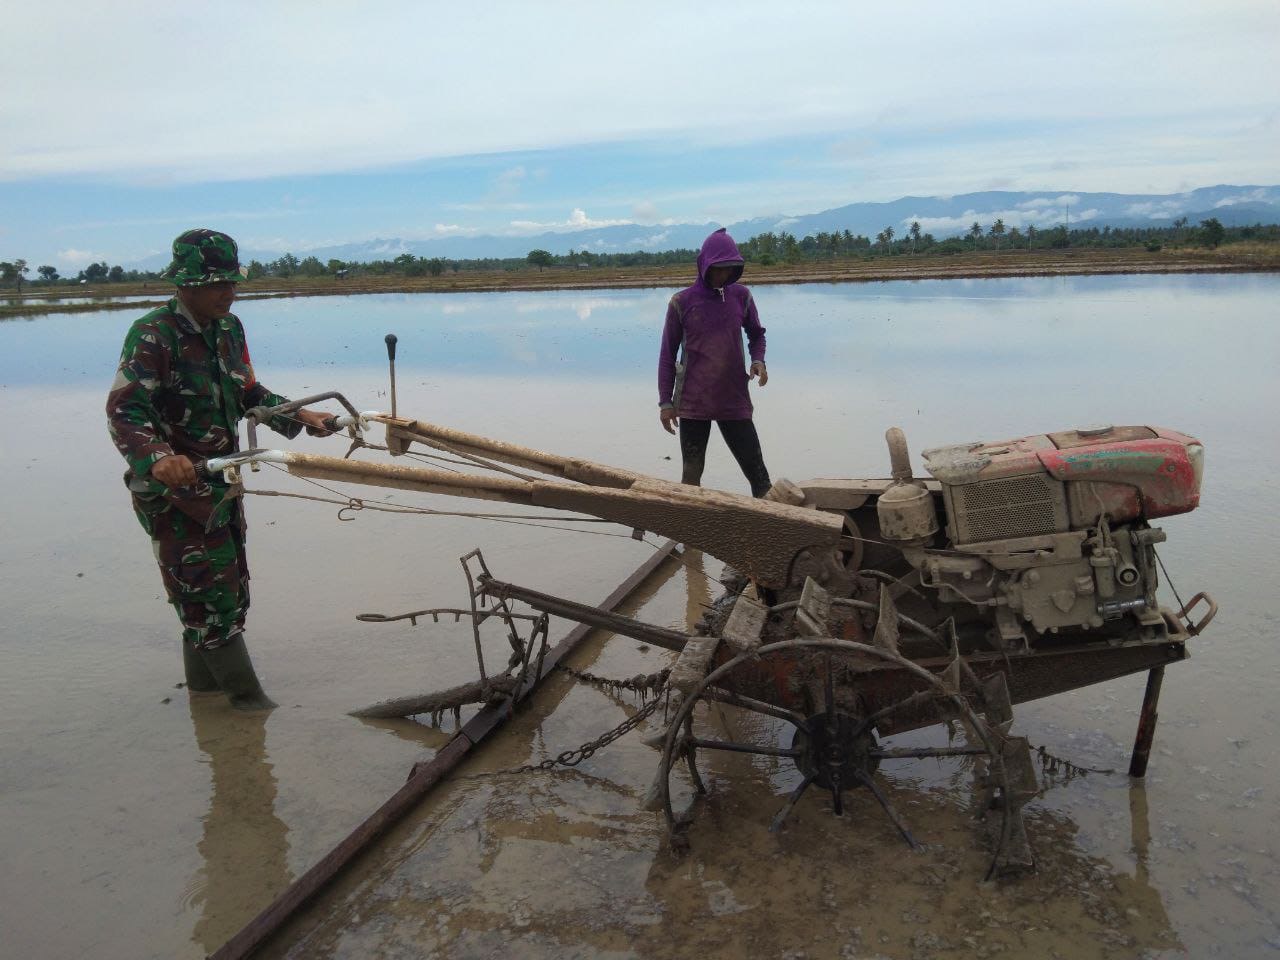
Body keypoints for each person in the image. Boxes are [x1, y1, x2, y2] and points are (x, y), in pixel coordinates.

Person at [106, 229, 334, 710]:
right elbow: (126, 411)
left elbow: (249, 392)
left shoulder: (229, 329)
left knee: (219, 592)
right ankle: (251, 709)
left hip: (223, 483)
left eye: (232, 283)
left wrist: (300, 415)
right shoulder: (153, 335)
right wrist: (159, 457)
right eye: (217, 285)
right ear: (185, 285)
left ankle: (206, 702)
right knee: (208, 598)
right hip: (174, 493)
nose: (229, 293)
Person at [657, 227, 772, 497]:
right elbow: (667, 356)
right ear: (705, 266)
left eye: (730, 270)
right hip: (693, 403)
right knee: (691, 478)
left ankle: (772, 531)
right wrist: (665, 403)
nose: (724, 276)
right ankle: (692, 536)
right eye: (718, 269)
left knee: (759, 475)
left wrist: (759, 361)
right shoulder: (681, 303)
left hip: (733, 399)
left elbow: (757, 335)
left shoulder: (741, 296)